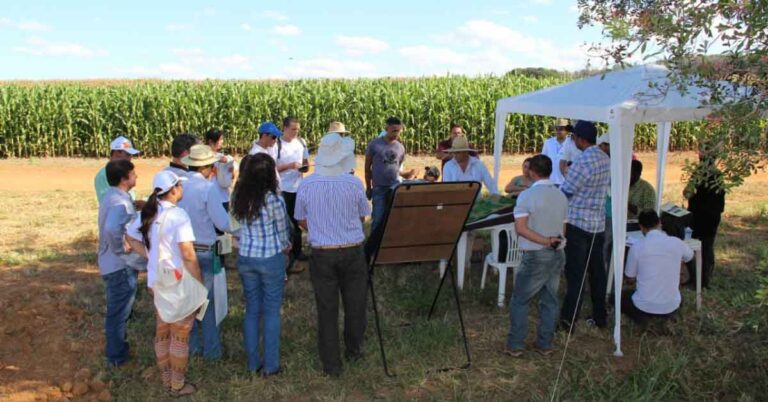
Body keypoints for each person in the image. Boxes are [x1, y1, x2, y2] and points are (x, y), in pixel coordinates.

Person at [295, 131, 371, 377]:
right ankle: (354, 350)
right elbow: (362, 215)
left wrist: (320, 228)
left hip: (322, 253)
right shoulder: (354, 183)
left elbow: (301, 219)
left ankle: (331, 364)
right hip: (352, 250)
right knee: (356, 303)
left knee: (327, 308)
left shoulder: (306, 184)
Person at [126, 171, 203, 397]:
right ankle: (177, 385)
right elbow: (188, 254)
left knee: (163, 330)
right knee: (180, 333)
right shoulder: (179, 216)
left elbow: (130, 238)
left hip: (156, 281)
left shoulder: (148, 213)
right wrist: (199, 284)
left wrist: (151, 256)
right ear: (174, 190)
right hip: (177, 282)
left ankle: (166, 379)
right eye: (180, 186)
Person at [231, 153, 292, 376]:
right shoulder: (274, 199)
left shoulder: (238, 196)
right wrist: (286, 245)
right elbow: (283, 229)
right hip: (270, 258)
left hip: (246, 257)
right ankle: (271, 365)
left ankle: (252, 362)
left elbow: (235, 225)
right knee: (271, 311)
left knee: (252, 310)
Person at [504, 154, 568, 357]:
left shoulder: (527, 196)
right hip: (557, 253)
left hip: (536, 254)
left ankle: (515, 344)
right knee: (550, 300)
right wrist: (552, 242)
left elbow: (521, 229)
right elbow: (563, 229)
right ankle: (545, 343)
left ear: (531, 171)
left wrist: (544, 241)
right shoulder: (561, 195)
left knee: (520, 300)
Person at [177, 144, 232, 361]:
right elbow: (222, 222)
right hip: (204, 249)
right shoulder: (207, 189)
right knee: (207, 303)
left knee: (189, 302)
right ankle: (212, 351)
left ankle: (192, 346)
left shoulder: (179, 186)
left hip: (183, 250)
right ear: (208, 167)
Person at [559, 121, 611, 330]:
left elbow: (567, 191)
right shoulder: (605, 158)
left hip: (578, 225)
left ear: (580, 139)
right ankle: (600, 317)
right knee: (597, 273)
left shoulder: (582, 162)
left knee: (576, 275)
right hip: (597, 224)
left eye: (574, 137)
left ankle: (568, 321)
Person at [98, 159, 139, 367]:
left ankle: (118, 350)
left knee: (117, 310)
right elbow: (113, 229)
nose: (136, 176)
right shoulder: (120, 202)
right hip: (119, 266)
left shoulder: (111, 196)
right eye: (133, 174)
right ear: (124, 179)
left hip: (111, 263)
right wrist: (122, 249)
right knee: (119, 312)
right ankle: (116, 356)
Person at [623, 210, 694, 325]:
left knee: (618, 297)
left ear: (641, 227)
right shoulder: (677, 242)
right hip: (672, 305)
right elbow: (690, 256)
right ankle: (665, 318)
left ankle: (643, 320)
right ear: (659, 223)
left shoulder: (637, 247)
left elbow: (629, 278)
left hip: (643, 306)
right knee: (678, 297)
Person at [684, 149, 726, 288]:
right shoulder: (705, 173)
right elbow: (688, 192)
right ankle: (698, 280)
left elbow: (688, 192)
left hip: (706, 217)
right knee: (698, 247)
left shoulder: (707, 174)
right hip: (703, 216)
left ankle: (702, 281)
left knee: (704, 248)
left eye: (702, 154)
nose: (700, 156)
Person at [365, 117, 415, 231]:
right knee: (378, 219)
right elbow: (367, 168)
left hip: (395, 188)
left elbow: (398, 167)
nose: (396, 133)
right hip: (379, 188)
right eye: (393, 130)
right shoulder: (374, 145)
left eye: (398, 130)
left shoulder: (400, 147)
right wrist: (368, 188)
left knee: (393, 219)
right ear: (386, 128)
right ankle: (373, 246)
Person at [276, 116, 310, 272]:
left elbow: (306, 163)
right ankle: (287, 255)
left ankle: (298, 251)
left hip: (299, 188)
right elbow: (272, 168)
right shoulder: (276, 145)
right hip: (283, 188)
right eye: (293, 129)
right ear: (284, 128)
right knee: (286, 223)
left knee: (298, 220)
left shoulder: (302, 143)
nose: (296, 132)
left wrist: (304, 166)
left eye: (298, 129)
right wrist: (290, 166)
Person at [94, 136, 140, 203]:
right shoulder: (104, 175)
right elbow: (110, 202)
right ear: (117, 153)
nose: (130, 158)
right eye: (128, 155)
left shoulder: (123, 171)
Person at [205, 128, 236, 210]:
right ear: (211, 141)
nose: (222, 141)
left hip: (224, 196)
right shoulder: (203, 159)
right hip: (211, 196)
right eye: (220, 139)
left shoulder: (223, 157)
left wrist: (230, 171)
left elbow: (233, 176)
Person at [540, 119, 573, 185]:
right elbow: (543, 160)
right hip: (550, 181)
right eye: (556, 129)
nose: (558, 131)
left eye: (561, 129)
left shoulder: (571, 143)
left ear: (566, 131)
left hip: (565, 182)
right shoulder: (548, 142)